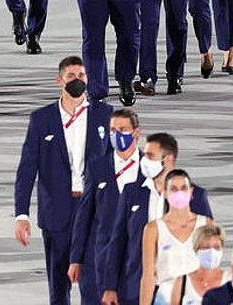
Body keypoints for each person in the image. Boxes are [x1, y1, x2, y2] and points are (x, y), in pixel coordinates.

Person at [13, 56, 113, 305]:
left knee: (93, 287)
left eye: (82, 76)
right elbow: (26, 170)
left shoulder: (105, 115)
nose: (77, 81)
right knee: (59, 289)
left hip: (93, 212)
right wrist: (21, 215)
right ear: (60, 81)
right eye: (71, 76)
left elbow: (115, 166)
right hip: (57, 213)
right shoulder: (42, 119)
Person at [102, 132, 214, 305]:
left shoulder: (196, 195)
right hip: (135, 286)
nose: (143, 160)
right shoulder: (131, 193)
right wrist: (110, 287)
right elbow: (118, 241)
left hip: (179, 288)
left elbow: (207, 243)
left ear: (168, 159)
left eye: (150, 156)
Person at [68, 107, 141, 298]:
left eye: (123, 130)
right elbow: (84, 214)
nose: (117, 135)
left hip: (136, 260)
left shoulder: (150, 168)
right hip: (99, 259)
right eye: (113, 130)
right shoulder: (98, 167)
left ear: (136, 132)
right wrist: (76, 258)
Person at [139, 169, 215, 303]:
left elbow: (212, 271)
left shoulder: (206, 224)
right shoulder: (153, 229)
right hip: (165, 298)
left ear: (191, 192)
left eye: (183, 188)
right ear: (165, 193)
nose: (179, 193)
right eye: (173, 189)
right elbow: (148, 276)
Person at [161, 223, 230, 305]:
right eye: (206, 247)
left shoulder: (232, 280)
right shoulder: (182, 282)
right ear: (197, 250)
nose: (212, 252)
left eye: (216, 247)